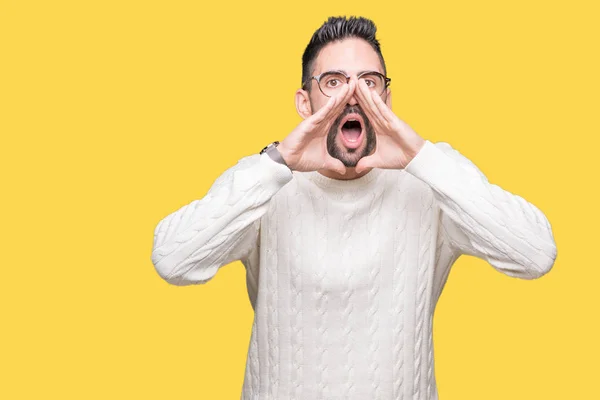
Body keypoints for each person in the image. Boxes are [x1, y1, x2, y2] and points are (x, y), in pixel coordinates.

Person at [150, 15, 557, 400]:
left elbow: (534, 253)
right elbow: (172, 259)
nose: (353, 95)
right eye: (333, 82)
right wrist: (277, 164)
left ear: (387, 98)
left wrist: (420, 157)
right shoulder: (262, 181)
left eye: (369, 82)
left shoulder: (432, 180)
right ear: (305, 103)